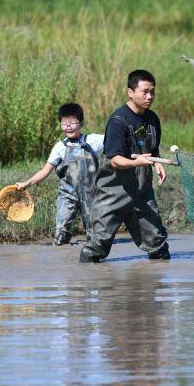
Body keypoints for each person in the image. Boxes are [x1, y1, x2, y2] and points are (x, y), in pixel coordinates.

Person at [79, 69, 170, 263]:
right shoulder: (118, 121)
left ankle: (154, 287)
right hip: (113, 191)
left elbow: (152, 150)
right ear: (130, 92)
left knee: (157, 242)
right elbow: (114, 160)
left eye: (152, 91)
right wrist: (136, 162)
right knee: (97, 246)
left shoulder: (152, 119)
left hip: (141, 191)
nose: (150, 96)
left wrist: (158, 164)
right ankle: (84, 282)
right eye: (145, 91)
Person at [16, 103, 104, 246]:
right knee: (60, 234)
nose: (68, 127)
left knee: (95, 236)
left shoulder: (93, 141)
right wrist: (26, 183)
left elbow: (115, 138)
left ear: (81, 123)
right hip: (67, 195)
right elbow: (45, 171)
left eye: (71, 123)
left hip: (91, 195)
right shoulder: (60, 147)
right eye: (64, 123)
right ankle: (64, 250)